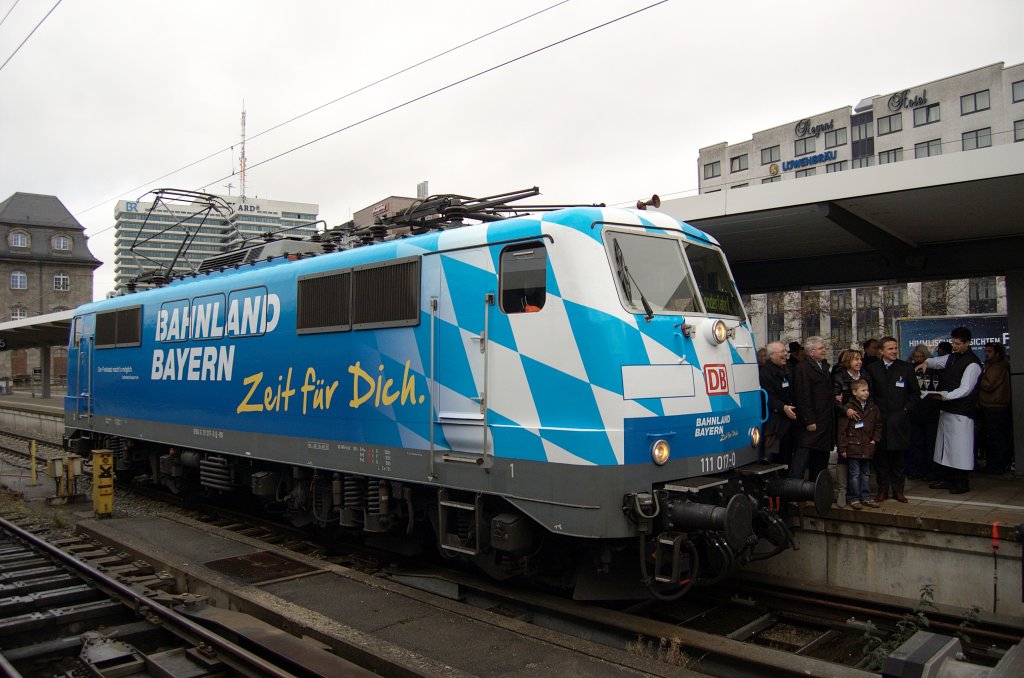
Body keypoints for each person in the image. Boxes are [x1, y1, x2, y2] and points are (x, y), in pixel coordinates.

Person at [917, 327, 982, 494]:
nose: (954, 346)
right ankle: (948, 478)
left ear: (968, 343)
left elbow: (966, 388)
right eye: (953, 342)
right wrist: (925, 362)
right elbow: (937, 361)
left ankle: (961, 482)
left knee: (960, 448)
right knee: (945, 447)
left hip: (961, 411)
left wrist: (945, 396)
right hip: (947, 410)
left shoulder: (972, 363)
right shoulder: (953, 357)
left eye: (958, 344)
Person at [865, 336, 920, 503]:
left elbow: (915, 393)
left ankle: (898, 490)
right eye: (890, 349)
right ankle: (882, 490)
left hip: (899, 420)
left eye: (895, 348)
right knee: (881, 458)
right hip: (880, 420)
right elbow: (869, 394)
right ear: (881, 351)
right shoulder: (873, 369)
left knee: (898, 458)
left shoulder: (905, 368)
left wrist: (905, 410)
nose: (894, 351)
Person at [790, 336, 834, 482]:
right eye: (821, 348)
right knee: (803, 456)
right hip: (812, 421)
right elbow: (803, 396)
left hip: (825, 419)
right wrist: (809, 420)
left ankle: (818, 488)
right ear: (811, 351)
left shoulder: (823, 366)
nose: (824, 351)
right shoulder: (803, 368)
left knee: (821, 458)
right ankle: (794, 489)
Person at [832, 349, 871, 507]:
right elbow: (834, 400)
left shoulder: (865, 376)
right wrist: (845, 410)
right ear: (848, 361)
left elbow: (870, 395)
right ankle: (843, 489)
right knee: (844, 453)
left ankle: (863, 492)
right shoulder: (839, 377)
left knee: (861, 454)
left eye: (860, 359)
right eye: (855, 359)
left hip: (862, 418)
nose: (859, 362)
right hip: (845, 417)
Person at [837, 379, 882, 509]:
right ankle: (854, 497)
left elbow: (878, 425)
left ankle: (866, 496)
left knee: (866, 473)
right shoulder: (849, 408)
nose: (866, 393)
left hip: (868, 446)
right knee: (854, 474)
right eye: (863, 390)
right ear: (854, 392)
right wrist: (843, 448)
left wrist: (874, 440)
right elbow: (842, 430)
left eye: (867, 390)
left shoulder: (873, 407)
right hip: (853, 446)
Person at [907, 344, 941, 480]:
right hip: (915, 413)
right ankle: (918, 469)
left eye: (921, 357)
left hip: (930, 412)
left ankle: (931, 471)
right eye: (916, 357)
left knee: (930, 444)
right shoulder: (910, 370)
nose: (919, 360)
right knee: (916, 443)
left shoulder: (933, 371)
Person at [978, 342, 1012, 475]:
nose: (986, 354)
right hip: (991, 406)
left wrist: (978, 378)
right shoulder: (992, 366)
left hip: (995, 407)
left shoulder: (997, 367)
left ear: (997, 353)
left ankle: (998, 465)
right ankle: (996, 464)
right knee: (993, 437)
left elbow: (988, 385)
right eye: (986, 351)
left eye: (990, 351)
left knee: (996, 438)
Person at [760, 341, 797, 463]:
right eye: (782, 351)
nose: (785, 354)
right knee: (779, 456)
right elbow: (768, 397)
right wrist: (783, 407)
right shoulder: (765, 373)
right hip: (776, 420)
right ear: (771, 355)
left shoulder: (786, 369)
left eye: (785, 351)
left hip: (789, 418)